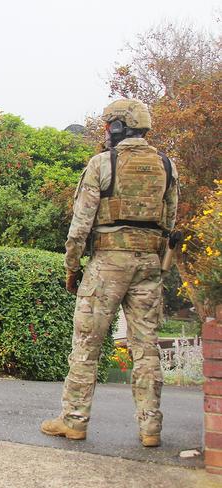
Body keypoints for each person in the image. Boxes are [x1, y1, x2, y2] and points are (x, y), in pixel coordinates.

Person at [40, 98, 179, 447]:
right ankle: (150, 429)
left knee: (87, 345)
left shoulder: (102, 163)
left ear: (116, 127)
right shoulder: (167, 165)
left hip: (107, 265)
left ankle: (74, 422)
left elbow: (79, 227)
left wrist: (72, 269)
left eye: (107, 126)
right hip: (148, 264)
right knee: (146, 348)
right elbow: (170, 221)